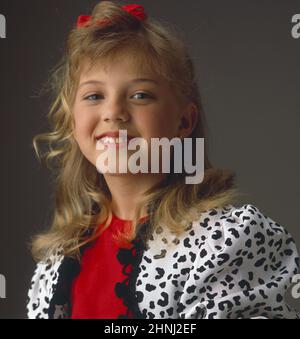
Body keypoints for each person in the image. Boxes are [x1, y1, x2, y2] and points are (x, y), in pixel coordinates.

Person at [26, 1, 300, 319]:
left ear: (184, 122)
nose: (113, 112)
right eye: (94, 96)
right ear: (73, 121)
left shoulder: (224, 243)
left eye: (140, 95)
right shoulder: (58, 260)